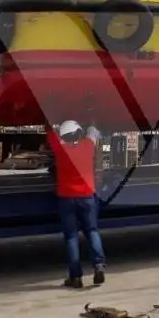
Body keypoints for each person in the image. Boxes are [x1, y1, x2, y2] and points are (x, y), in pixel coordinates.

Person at [45, 120, 106, 289]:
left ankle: (75, 277)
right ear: (78, 133)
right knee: (92, 231)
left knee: (71, 236)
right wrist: (90, 118)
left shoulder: (60, 148)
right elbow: (93, 130)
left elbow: (49, 130)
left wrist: (49, 118)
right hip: (87, 197)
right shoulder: (88, 146)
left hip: (67, 198)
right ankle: (99, 265)